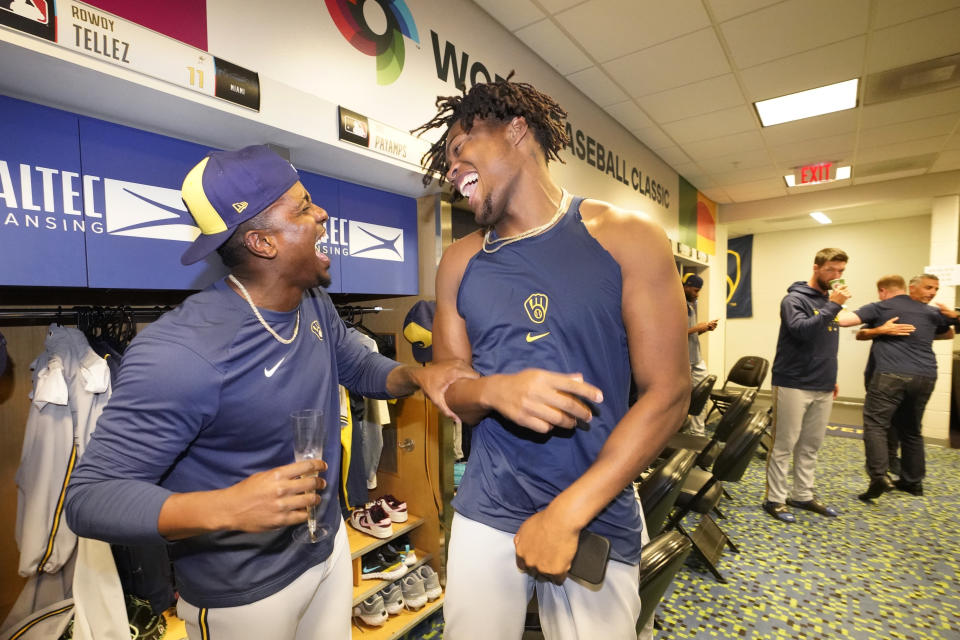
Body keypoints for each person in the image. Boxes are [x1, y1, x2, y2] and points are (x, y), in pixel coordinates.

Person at [64, 145, 475, 640]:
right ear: (261, 242)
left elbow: (358, 365)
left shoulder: (313, 303)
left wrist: (415, 376)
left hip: (326, 553)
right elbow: (91, 499)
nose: (322, 213)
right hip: (244, 593)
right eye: (302, 207)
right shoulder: (180, 350)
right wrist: (227, 507)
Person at [414, 77, 689, 638]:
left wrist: (566, 515)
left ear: (517, 130)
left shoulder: (626, 237)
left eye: (459, 148)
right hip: (488, 503)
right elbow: (450, 388)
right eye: (445, 161)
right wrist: (496, 391)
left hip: (595, 502)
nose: (452, 168)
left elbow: (668, 394)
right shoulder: (459, 262)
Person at [763, 248, 861, 523]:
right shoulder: (793, 299)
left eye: (841, 271)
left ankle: (802, 494)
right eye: (831, 270)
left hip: (823, 382)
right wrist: (833, 306)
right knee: (784, 443)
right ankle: (775, 499)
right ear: (817, 268)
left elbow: (824, 343)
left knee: (811, 444)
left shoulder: (828, 301)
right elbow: (802, 331)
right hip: (793, 382)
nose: (837, 276)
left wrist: (832, 377)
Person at [851, 274, 955, 501]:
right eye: (928, 288)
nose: (932, 293)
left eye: (935, 289)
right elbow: (949, 333)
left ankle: (879, 476)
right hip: (925, 377)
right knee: (911, 430)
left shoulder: (889, 308)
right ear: (911, 287)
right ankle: (912, 482)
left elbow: (848, 323)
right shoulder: (930, 313)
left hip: (892, 375)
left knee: (876, 425)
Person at [683, 273, 718, 436]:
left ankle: (698, 432)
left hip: (697, 358)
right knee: (682, 400)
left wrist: (704, 329)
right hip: (683, 361)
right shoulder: (677, 305)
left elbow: (690, 335)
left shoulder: (691, 305)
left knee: (702, 396)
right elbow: (672, 334)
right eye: (695, 290)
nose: (697, 294)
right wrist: (698, 328)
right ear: (686, 286)